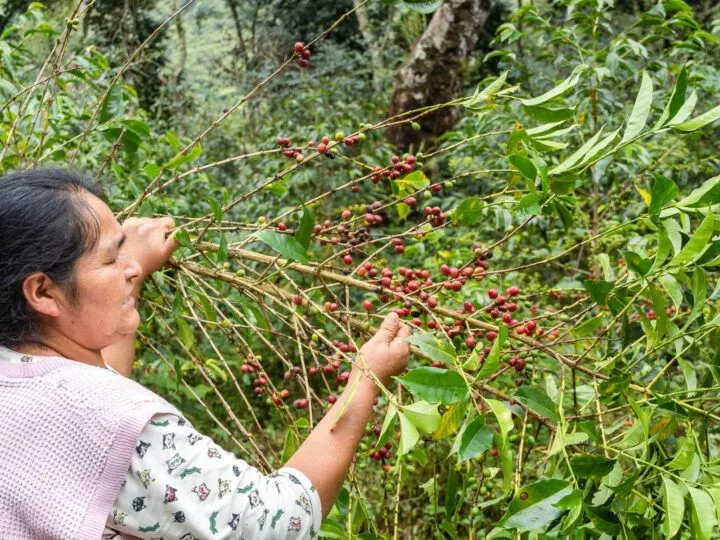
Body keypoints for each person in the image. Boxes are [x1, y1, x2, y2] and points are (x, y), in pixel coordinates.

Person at [0, 168, 411, 539]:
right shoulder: (108, 417)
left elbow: (100, 387)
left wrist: (135, 272)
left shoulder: (22, 375)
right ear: (43, 292)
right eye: (112, 258)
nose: (128, 267)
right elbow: (276, 523)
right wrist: (365, 379)